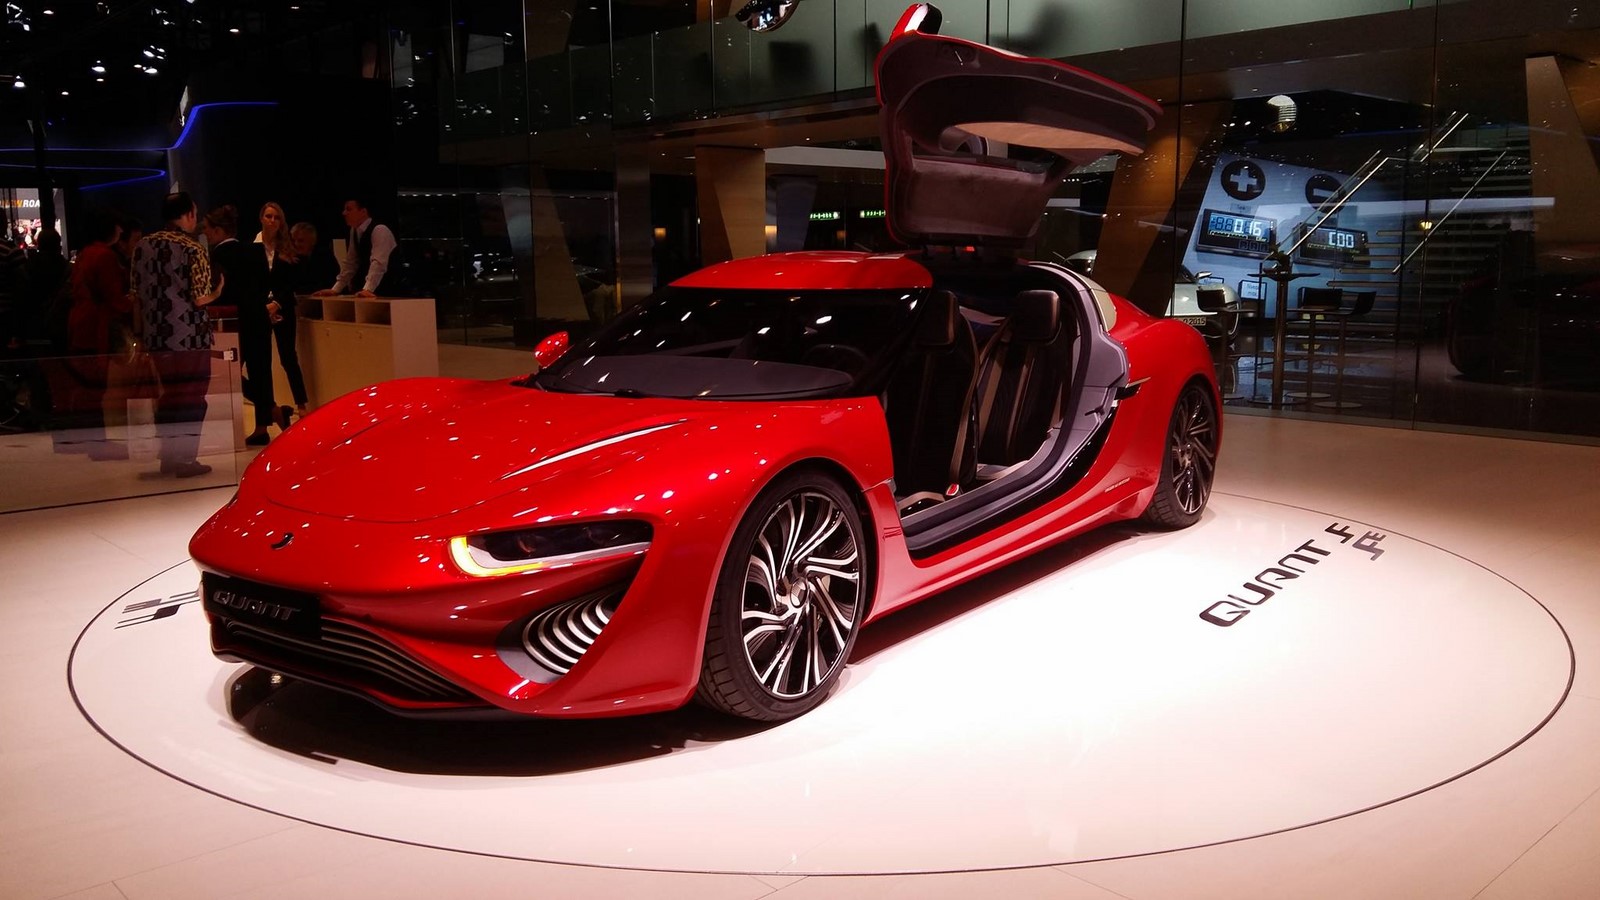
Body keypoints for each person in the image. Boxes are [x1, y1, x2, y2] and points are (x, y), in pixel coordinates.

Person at [130, 192, 224, 477]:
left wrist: (140, 335)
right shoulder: (192, 248)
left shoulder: (142, 246)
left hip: (157, 334)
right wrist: (218, 291)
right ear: (189, 214)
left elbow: (136, 296)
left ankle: (169, 458)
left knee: (169, 396)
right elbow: (200, 298)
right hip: (189, 336)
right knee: (192, 396)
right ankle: (185, 459)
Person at [204, 204, 284, 447]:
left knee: (228, 374)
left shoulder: (217, 256)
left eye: (208, 229)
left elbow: (217, 292)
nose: (205, 233)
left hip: (232, 322)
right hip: (258, 317)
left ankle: (270, 411)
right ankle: (264, 423)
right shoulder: (255, 251)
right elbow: (266, 284)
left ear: (218, 230)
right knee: (261, 372)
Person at [62, 210, 133, 459]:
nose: (121, 231)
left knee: (85, 386)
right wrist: (132, 303)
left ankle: (88, 440)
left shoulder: (85, 253)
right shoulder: (104, 256)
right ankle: (96, 443)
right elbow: (113, 296)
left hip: (81, 324)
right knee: (94, 386)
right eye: (117, 226)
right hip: (95, 327)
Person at [255, 203, 309, 416]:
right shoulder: (254, 246)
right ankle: (268, 408)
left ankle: (302, 405)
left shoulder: (286, 247)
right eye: (268, 216)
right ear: (261, 218)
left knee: (288, 357)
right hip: (260, 308)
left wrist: (277, 303)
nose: (272, 221)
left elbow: (291, 282)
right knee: (262, 360)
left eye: (276, 217)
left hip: (282, 306)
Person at [314, 196, 399, 297]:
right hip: (370, 292)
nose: (344, 213)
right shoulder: (354, 231)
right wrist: (335, 289)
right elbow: (351, 262)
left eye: (348, 209)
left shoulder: (380, 230)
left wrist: (368, 289)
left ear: (363, 211)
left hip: (389, 292)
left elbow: (378, 263)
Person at [288, 221, 337, 295]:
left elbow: (329, 283)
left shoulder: (325, 256)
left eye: (300, 241)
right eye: (293, 240)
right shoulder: (290, 258)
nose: (296, 244)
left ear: (312, 241)